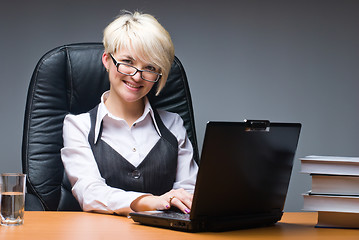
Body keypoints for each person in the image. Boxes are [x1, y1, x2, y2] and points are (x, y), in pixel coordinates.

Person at [61, 11, 198, 216]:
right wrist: (150, 202)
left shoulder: (173, 124)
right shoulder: (78, 126)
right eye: (128, 62)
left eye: (149, 67)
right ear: (107, 60)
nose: (136, 76)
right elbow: (89, 192)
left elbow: (189, 191)